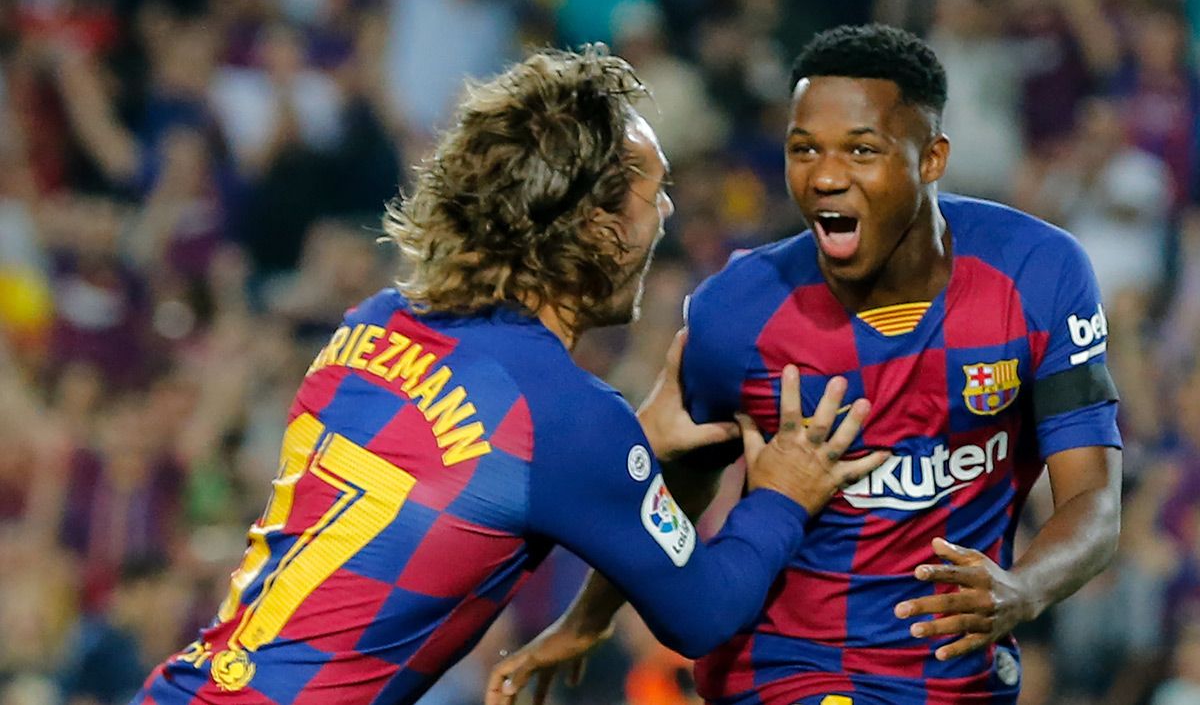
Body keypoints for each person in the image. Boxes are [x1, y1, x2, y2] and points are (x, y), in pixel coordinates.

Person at [129, 45, 888, 705]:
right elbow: (705, 614)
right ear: (599, 228)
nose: (665, 211)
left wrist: (631, 445)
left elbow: (459, 480)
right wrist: (782, 497)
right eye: (652, 190)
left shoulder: (375, 319)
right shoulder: (561, 417)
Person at [489, 25, 1123, 705]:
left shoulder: (1039, 276)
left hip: (956, 680)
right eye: (804, 150)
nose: (825, 176)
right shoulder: (738, 311)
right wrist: (589, 617)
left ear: (931, 158)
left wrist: (1021, 588)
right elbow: (678, 482)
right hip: (789, 670)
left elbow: (1092, 499)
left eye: (861, 150)